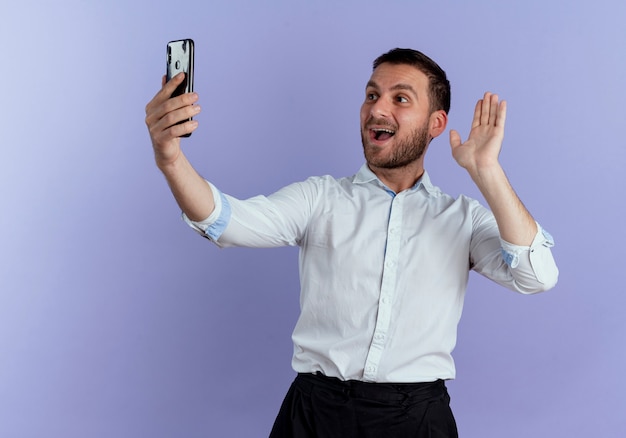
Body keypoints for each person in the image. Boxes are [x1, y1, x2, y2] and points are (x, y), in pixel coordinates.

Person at [145, 48, 558, 438]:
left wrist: (486, 170)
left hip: (417, 420)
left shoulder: (462, 219)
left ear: (436, 123)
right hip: (313, 413)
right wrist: (171, 159)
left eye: (400, 99)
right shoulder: (320, 198)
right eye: (372, 95)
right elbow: (226, 222)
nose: (377, 108)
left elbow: (536, 276)